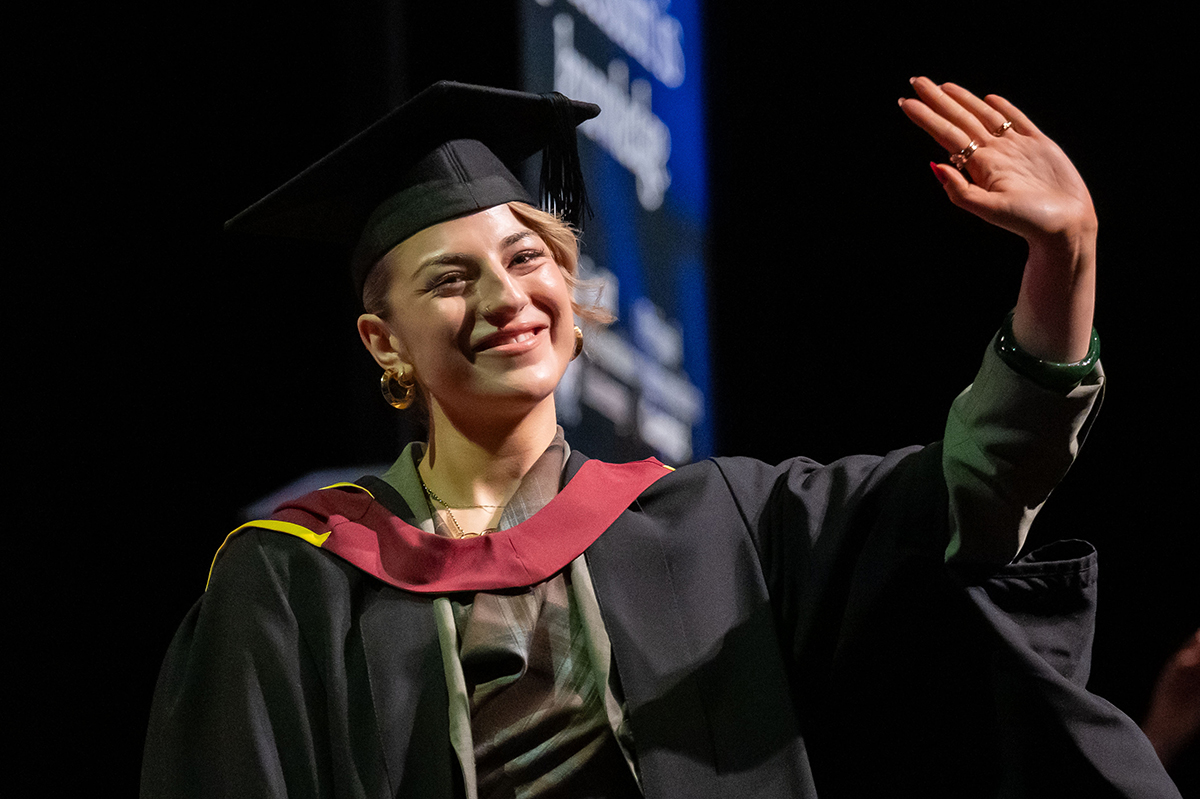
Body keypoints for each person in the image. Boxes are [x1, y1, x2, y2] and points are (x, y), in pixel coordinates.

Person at [141, 80, 1180, 798]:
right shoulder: (294, 579)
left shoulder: (717, 525)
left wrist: (1065, 255)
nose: (507, 298)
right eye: (450, 280)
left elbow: (982, 485)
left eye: (526, 257)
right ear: (385, 340)